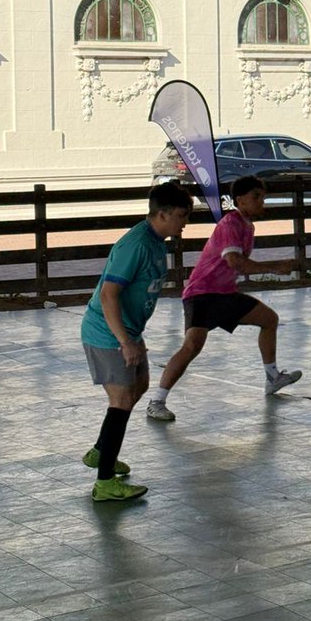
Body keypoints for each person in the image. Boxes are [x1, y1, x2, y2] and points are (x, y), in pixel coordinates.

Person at [146, 175, 300, 423]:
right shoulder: (231, 223)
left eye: (263, 197)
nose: (262, 202)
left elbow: (235, 266)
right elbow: (234, 261)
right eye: (256, 197)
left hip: (224, 294)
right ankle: (157, 402)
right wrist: (273, 267)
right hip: (203, 294)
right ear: (239, 200)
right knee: (192, 347)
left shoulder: (247, 225)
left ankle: (272, 377)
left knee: (269, 319)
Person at [81, 182, 193, 502]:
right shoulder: (137, 245)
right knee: (122, 399)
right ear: (161, 214)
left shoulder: (159, 241)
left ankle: (101, 451)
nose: (185, 222)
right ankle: (104, 484)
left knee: (140, 386)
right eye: (181, 215)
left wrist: (134, 337)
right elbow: (108, 294)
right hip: (106, 332)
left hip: (129, 331)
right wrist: (124, 341)